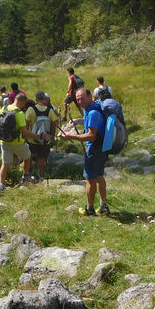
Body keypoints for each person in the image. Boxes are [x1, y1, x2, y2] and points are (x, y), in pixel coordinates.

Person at [60, 86, 110, 216]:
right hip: (103, 148)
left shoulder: (92, 113)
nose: (80, 102)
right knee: (99, 176)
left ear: (89, 96)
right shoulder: (93, 109)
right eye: (77, 99)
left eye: (82, 98)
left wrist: (71, 137)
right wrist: (79, 121)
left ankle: (89, 209)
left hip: (94, 149)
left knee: (90, 179)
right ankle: (103, 206)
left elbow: (91, 136)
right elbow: (93, 123)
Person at [0, 92, 36, 185]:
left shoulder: (3, 108)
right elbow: (25, 132)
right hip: (17, 143)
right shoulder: (19, 113)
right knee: (28, 157)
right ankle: (25, 176)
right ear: (23, 102)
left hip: (3, 141)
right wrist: (38, 136)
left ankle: (1, 185)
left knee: (5, 164)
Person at [26, 91, 59, 181]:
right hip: (45, 139)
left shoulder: (31, 109)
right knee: (42, 158)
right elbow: (54, 123)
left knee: (28, 156)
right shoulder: (49, 110)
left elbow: (26, 123)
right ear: (44, 98)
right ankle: (40, 175)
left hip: (32, 138)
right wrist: (52, 135)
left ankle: (27, 174)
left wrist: (26, 135)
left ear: (36, 99)